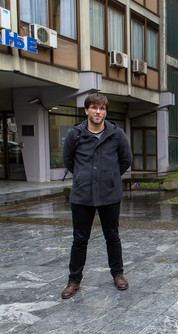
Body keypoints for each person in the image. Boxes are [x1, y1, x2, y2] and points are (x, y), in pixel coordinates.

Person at [61, 93, 132, 299]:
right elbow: (69, 161)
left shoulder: (116, 134)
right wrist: (85, 177)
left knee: (112, 235)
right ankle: (74, 280)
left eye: (101, 108)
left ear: (105, 112)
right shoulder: (75, 134)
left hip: (109, 194)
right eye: (94, 108)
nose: (98, 112)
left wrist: (109, 177)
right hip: (82, 195)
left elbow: (125, 160)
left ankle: (118, 274)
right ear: (86, 110)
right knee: (80, 239)